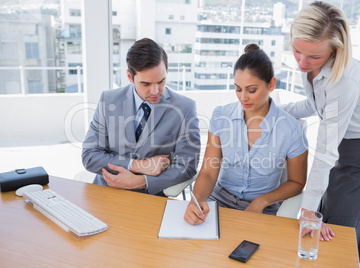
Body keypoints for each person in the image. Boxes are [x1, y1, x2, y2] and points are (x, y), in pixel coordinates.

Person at [281, 1, 360, 261]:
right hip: (341, 151)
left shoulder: (344, 80)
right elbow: (315, 104)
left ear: (335, 50)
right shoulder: (311, 65)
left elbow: (325, 149)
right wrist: (276, 110)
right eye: (297, 50)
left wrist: (306, 210)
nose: (302, 62)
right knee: (325, 223)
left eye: (314, 56)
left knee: (337, 230)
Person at [184, 44, 308, 225]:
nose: (243, 97)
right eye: (238, 89)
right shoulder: (221, 117)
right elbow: (209, 172)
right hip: (219, 202)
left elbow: (297, 182)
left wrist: (262, 201)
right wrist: (195, 202)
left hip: (263, 209)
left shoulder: (291, 130)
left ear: (271, 84)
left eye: (251, 90)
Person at [82, 38, 200, 196]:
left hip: (150, 197)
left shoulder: (184, 108)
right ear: (130, 77)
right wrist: (137, 165)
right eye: (146, 84)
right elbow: (90, 156)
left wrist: (142, 181)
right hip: (106, 190)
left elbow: (187, 166)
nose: (155, 91)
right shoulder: (108, 100)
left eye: (161, 81)